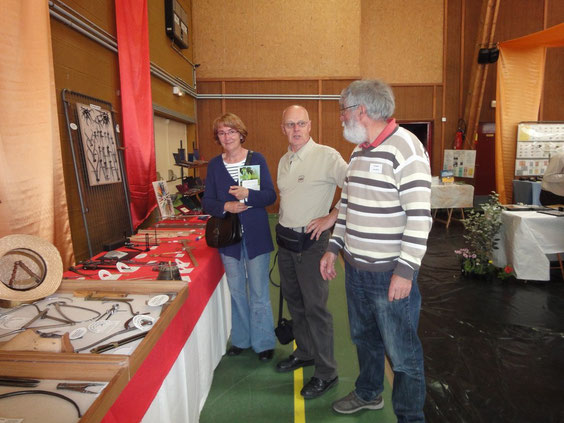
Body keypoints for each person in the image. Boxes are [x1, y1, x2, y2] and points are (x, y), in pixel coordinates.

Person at [320, 80, 432, 422]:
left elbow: (419, 216)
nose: (341, 119)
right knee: (364, 339)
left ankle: (410, 417)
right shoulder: (359, 150)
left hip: (389, 275)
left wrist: (405, 271)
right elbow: (348, 204)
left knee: (403, 355)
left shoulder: (406, 149)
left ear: (361, 111)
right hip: (355, 271)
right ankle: (369, 393)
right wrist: (332, 247)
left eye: (343, 112)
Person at [275, 105, 348, 399]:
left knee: (316, 309)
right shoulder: (284, 160)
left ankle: (326, 372)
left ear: (310, 126)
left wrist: (332, 216)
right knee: (296, 304)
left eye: (301, 123)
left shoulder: (327, 156)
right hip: (286, 243)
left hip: (312, 244)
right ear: (283, 128)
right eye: (290, 124)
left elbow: (356, 186)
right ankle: (304, 352)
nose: (296, 129)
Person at [202, 112, 277, 362]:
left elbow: (269, 196)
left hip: (256, 236)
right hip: (228, 239)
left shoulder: (257, 159)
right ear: (217, 137)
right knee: (236, 291)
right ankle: (242, 340)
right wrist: (226, 206)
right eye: (222, 133)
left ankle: (264, 342)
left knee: (258, 292)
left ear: (241, 134)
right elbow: (207, 202)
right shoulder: (214, 165)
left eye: (231, 131)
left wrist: (248, 195)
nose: (227, 136)